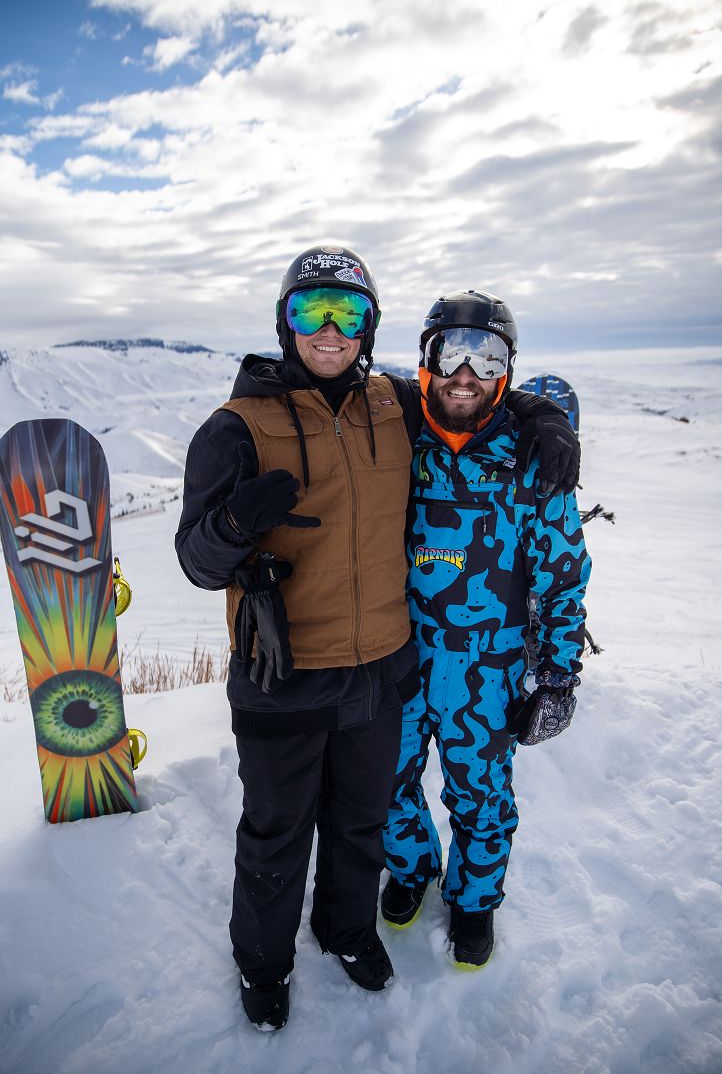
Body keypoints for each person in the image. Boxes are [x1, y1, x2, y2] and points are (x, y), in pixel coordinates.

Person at [175, 247, 581, 1031]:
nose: (331, 330)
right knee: (296, 824)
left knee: (402, 808)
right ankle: (271, 961)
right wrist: (233, 525)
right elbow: (196, 559)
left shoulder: (400, 409)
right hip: (289, 669)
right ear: (285, 321)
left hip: (409, 667)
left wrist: (545, 414)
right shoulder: (246, 428)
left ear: (372, 329)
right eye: (311, 312)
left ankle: (386, 920)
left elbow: (490, 406)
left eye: (349, 314)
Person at [381, 290, 591, 970]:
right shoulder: (395, 439)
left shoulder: (535, 456)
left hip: (489, 668)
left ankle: (474, 902)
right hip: (398, 656)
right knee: (386, 780)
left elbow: (563, 575)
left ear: (506, 368)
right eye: (450, 353)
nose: (465, 374)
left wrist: (557, 676)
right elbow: (329, 382)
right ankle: (411, 867)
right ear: (425, 360)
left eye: (487, 355)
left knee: (481, 794)